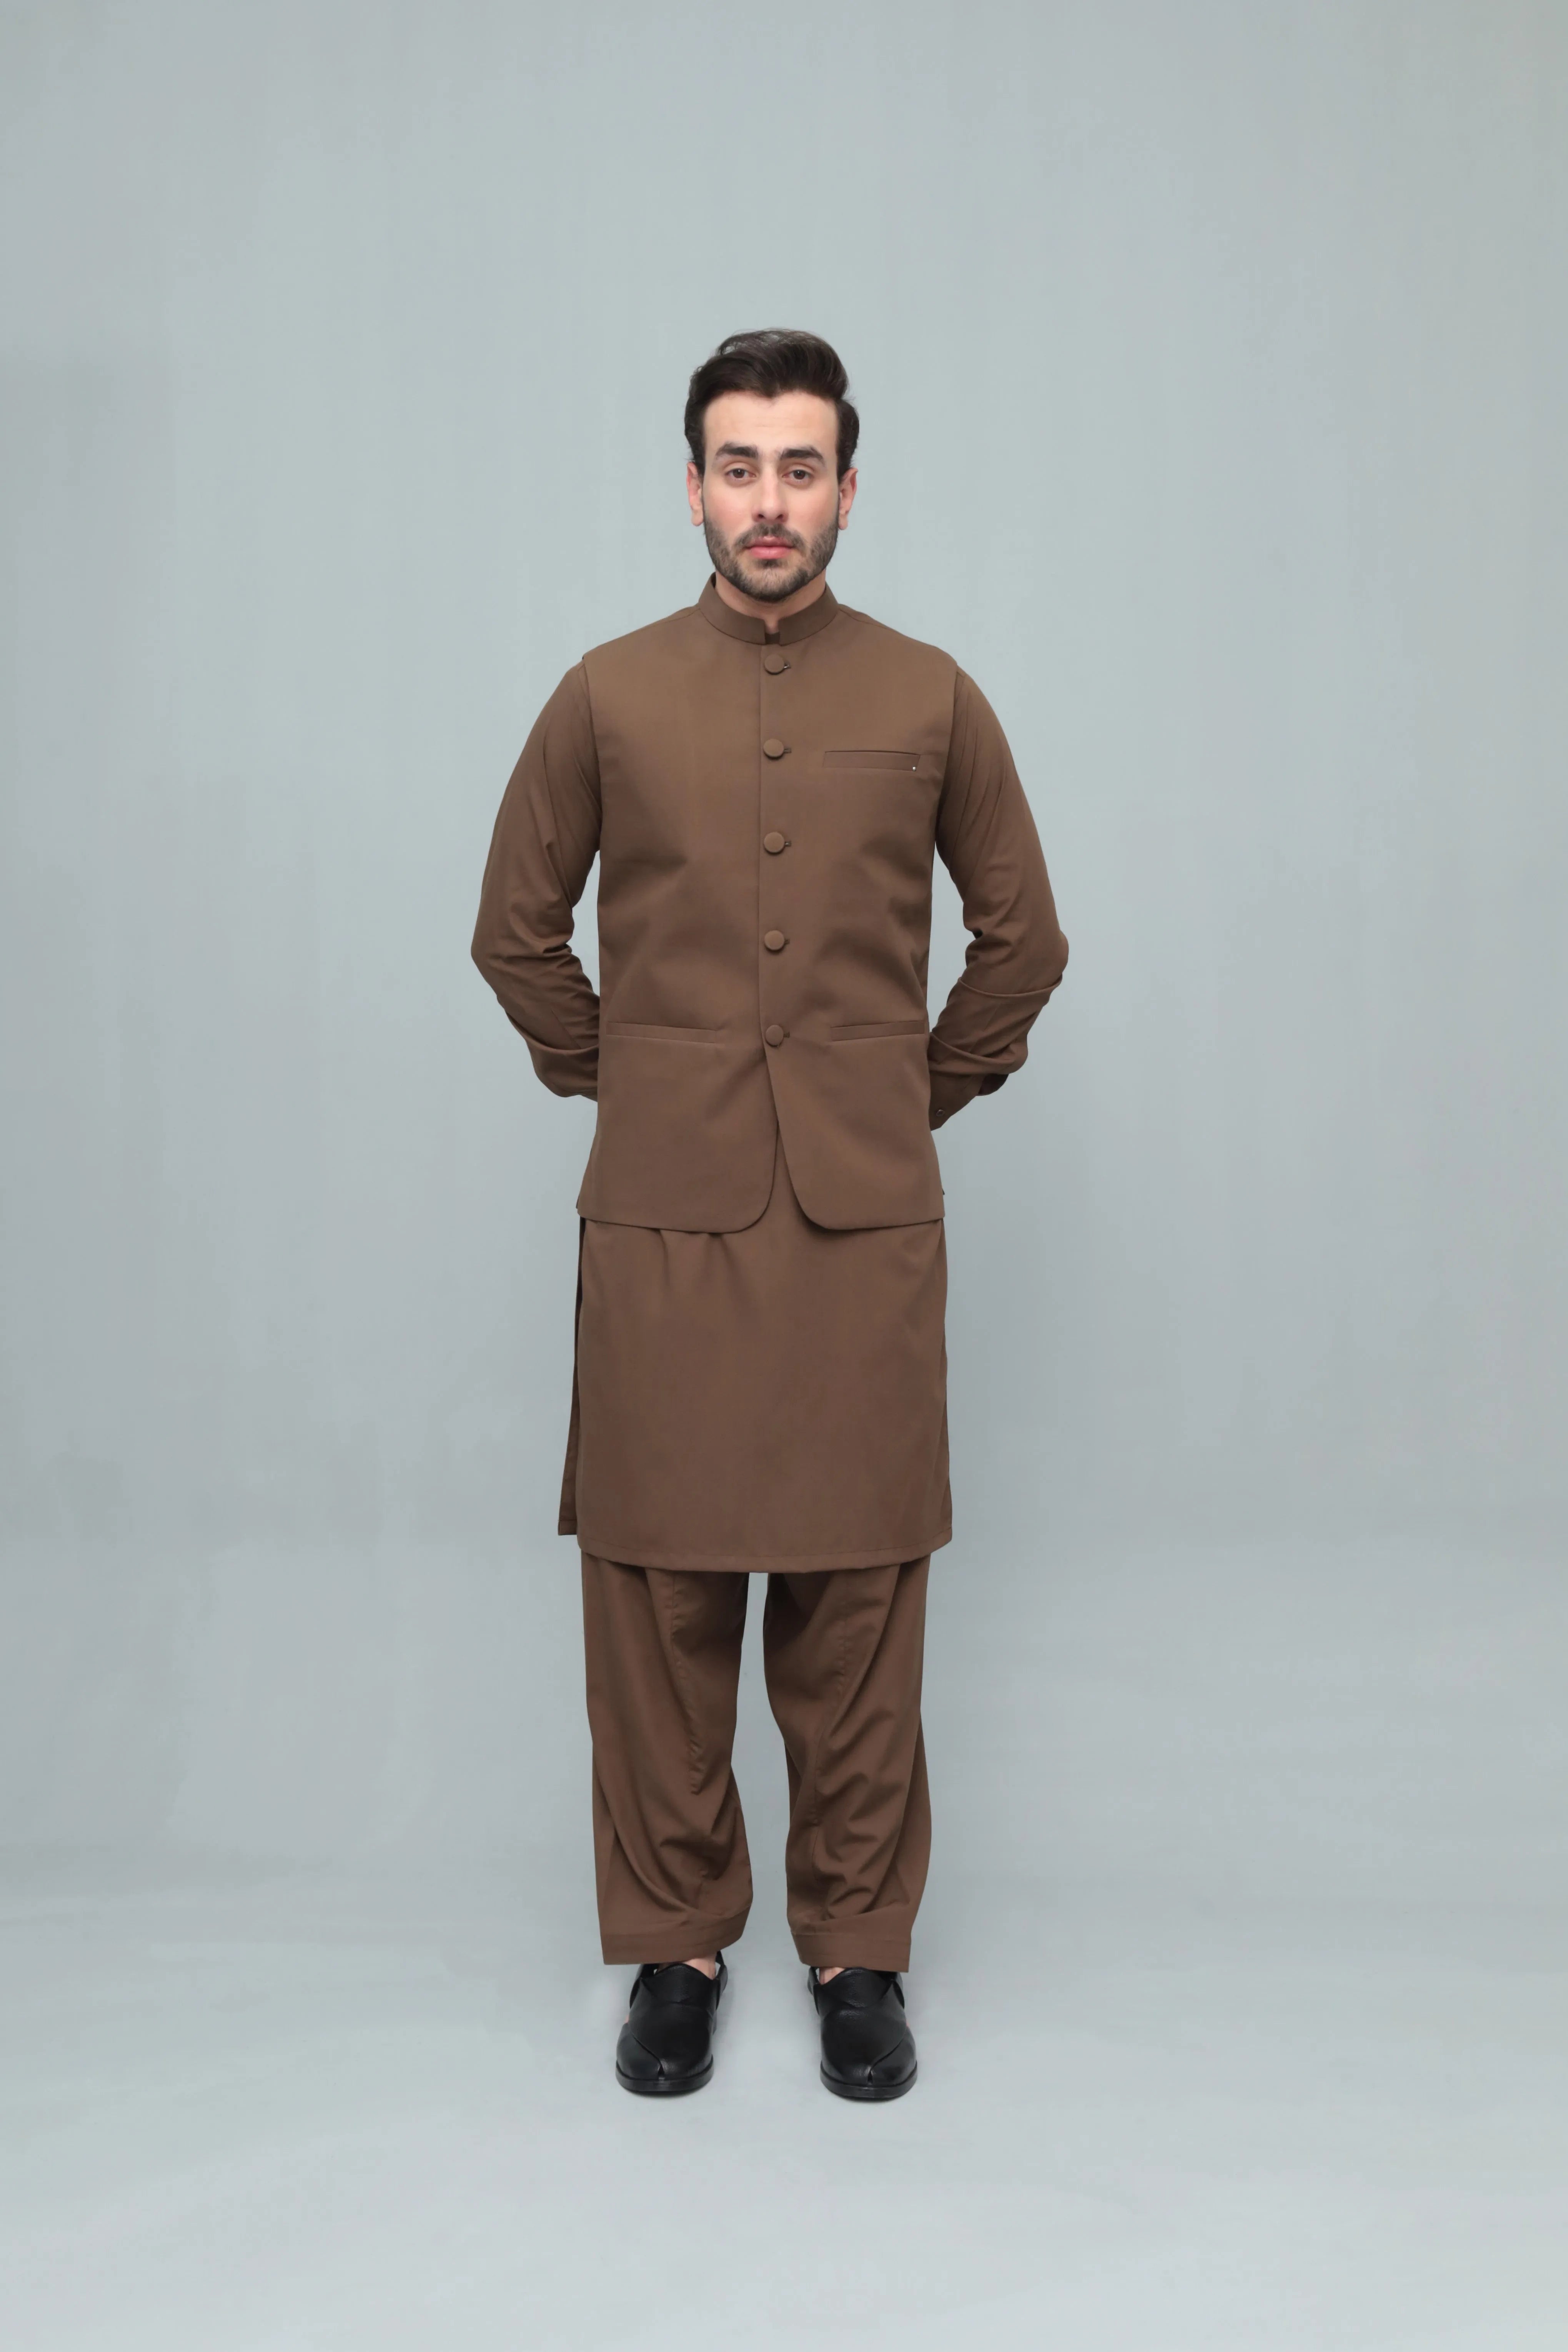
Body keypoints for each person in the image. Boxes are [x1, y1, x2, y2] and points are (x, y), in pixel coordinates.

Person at [472, 329, 1067, 2101]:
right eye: (739, 466)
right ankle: (675, 1942)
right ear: (693, 487)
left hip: (865, 1229)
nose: (770, 501)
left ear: (847, 490)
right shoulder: (605, 694)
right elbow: (515, 930)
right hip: (664, 1222)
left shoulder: (933, 696)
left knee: (859, 1592)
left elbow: (1024, 941)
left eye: (801, 468)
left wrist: (911, 1092)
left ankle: (856, 1947)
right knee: (657, 1589)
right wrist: (630, 1081)